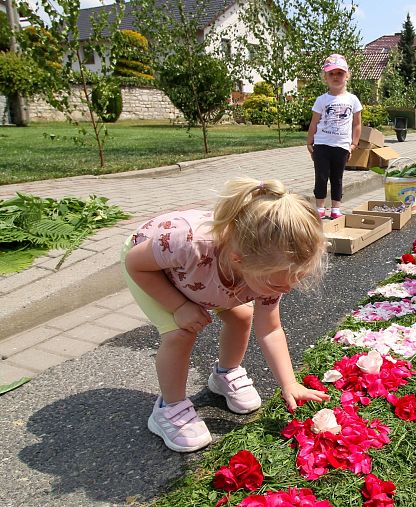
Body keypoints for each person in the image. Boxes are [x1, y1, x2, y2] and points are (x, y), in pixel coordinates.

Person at [123, 178, 331, 452]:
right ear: (240, 261)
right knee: (180, 333)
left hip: (207, 280)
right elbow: (135, 264)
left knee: (242, 316)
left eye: (295, 280)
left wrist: (289, 382)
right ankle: (168, 408)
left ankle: (225, 373)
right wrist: (179, 306)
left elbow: (269, 329)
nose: (287, 290)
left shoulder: (273, 268)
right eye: (279, 284)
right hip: (156, 271)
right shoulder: (188, 243)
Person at [307, 53, 362, 220]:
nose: (335, 77)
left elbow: (357, 124)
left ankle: (336, 208)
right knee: (321, 176)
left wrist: (353, 145)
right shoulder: (321, 100)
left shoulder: (352, 100)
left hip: (341, 145)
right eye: (331, 74)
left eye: (339, 73)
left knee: (337, 178)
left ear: (347, 76)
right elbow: (314, 122)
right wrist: (310, 141)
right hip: (322, 144)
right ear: (326, 77)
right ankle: (320, 207)